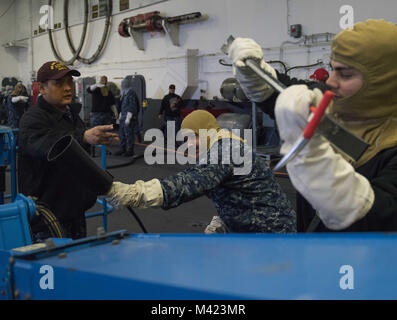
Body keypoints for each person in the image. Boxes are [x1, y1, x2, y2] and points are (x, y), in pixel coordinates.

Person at [228, 19, 397, 232]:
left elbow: (372, 214)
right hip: (312, 252)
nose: (331, 81)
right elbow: (275, 90)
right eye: (332, 69)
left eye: (345, 74)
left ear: (381, 81)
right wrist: (253, 71)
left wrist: (310, 152)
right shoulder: (334, 105)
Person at [107, 110, 296, 233]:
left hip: (271, 235)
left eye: (194, 137)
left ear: (209, 131)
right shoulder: (221, 145)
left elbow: (190, 183)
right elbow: (241, 191)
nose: (189, 145)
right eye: (186, 139)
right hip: (255, 231)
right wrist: (225, 219)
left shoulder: (227, 150)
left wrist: (135, 193)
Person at [18, 61, 119, 240]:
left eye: (69, 82)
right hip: (47, 218)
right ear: (41, 88)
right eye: (59, 83)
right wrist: (84, 137)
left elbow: (77, 155)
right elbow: (46, 145)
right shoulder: (32, 119)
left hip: (73, 210)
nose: (67, 88)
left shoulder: (70, 115)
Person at [114, 77, 139, 157]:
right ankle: (123, 148)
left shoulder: (131, 93)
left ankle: (130, 150)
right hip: (123, 116)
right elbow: (122, 106)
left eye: (123, 84)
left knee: (129, 134)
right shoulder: (124, 93)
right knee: (121, 134)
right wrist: (120, 116)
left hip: (128, 116)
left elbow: (132, 106)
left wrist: (129, 117)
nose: (122, 85)